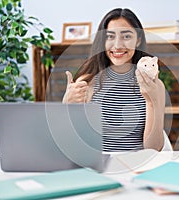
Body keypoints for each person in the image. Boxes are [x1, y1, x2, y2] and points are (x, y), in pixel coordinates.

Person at [62, 8, 165, 152]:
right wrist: (66, 106)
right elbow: (71, 144)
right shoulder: (87, 82)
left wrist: (151, 101)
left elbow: (154, 148)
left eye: (126, 37)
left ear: (138, 40)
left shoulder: (155, 86)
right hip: (96, 167)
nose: (117, 45)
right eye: (110, 37)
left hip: (136, 166)